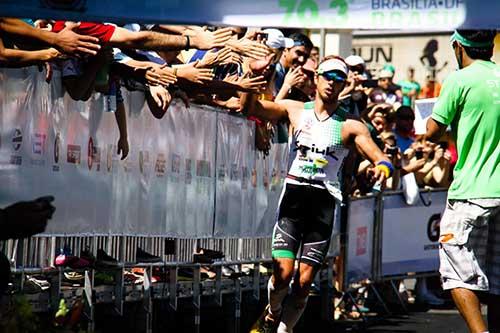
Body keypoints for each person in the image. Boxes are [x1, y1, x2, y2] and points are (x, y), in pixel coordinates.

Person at [243, 56, 392, 333]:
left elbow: (378, 155)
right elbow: (250, 108)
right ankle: (272, 311)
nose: (332, 84)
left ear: (343, 85)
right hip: (294, 200)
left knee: (303, 283)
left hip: (323, 205)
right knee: (283, 274)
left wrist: (382, 167)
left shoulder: (350, 124)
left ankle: (283, 331)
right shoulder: (295, 110)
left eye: (339, 80)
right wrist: (254, 78)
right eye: (328, 77)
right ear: (317, 79)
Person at [425, 29, 499, 333]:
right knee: (496, 277)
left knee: (456, 272)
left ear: (458, 47)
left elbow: (431, 131)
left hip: (471, 193)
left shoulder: (459, 79)